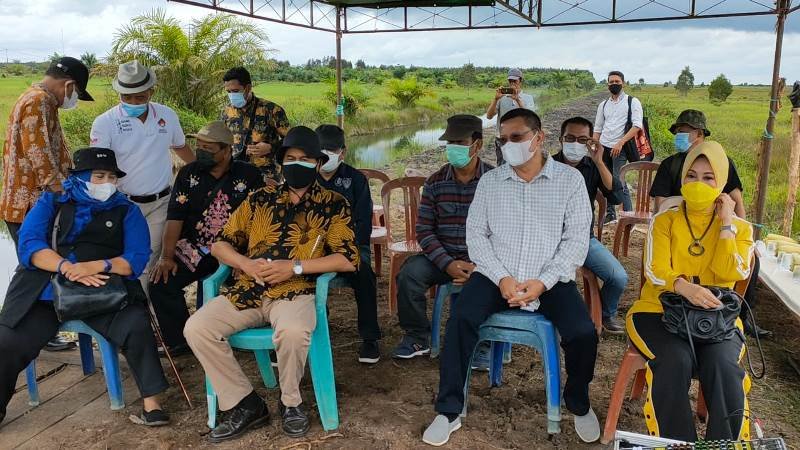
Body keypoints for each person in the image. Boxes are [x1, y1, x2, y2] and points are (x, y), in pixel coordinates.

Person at [422, 109, 599, 446]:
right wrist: (502, 278)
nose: (508, 145)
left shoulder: (569, 181)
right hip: (494, 275)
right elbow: (476, 236)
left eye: (517, 137)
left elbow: (576, 242)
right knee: (459, 320)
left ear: (539, 138)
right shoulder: (491, 182)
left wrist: (542, 282)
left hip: (550, 278)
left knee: (582, 333)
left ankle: (577, 401)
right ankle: (447, 410)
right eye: (503, 140)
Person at [183, 126, 359, 442]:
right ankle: (245, 403)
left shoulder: (334, 203)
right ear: (280, 161)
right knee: (197, 328)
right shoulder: (258, 199)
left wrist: (295, 267)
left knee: (292, 332)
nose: (297, 164)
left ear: (318, 163)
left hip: (296, 291)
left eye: (305, 159)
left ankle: (291, 402)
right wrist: (245, 263)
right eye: (290, 158)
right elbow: (221, 244)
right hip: (248, 289)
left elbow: (347, 259)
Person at [0, 148, 170, 427]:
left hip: (102, 287)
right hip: (47, 288)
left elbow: (136, 259)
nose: (105, 183)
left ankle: (152, 404)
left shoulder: (126, 209)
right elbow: (29, 245)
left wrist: (97, 266)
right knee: (6, 341)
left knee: (136, 323)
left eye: (112, 177)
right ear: (78, 177)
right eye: (98, 176)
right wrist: (67, 268)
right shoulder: (52, 201)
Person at [627, 141, 754, 442]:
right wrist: (684, 287)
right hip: (658, 310)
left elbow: (732, 272)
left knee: (723, 367)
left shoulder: (741, 230)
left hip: (717, 317)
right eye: (691, 176)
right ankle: (677, 444)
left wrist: (726, 224)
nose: (698, 184)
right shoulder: (664, 221)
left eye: (708, 177)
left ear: (722, 181)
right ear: (682, 179)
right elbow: (655, 269)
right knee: (675, 361)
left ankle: (725, 446)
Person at [0, 56, 94, 352]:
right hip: (29, 206)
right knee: (34, 267)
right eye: (77, 92)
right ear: (69, 85)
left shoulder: (38, 100)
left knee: (36, 266)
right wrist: (63, 194)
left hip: (26, 203)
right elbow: (40, 156)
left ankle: (29, 329)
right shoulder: (38, 101)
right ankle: (13, 329)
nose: (74, 99)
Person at [648, 110, 768, 338]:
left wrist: (738, 232)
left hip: (717, 228)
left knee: (750, 265)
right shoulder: (670, 165)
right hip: (681, 231)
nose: (679, 137)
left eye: (684, 132)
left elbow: (736, 200)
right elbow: (661, 203)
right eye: (691, 176)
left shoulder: (722, 163)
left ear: (699, 134)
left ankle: (743, 315)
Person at [148, 121, 264, 355]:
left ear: (226, 150)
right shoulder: (188, 173)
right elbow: (175, 216)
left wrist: (250, 258)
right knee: (161, 281)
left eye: (208, 148)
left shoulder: (249, 175)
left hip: (236, 250)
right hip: (195, 248)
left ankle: (251, 336)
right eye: (198, 145)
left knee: (258, 283)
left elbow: (260, 219)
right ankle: (181, 340)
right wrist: (166, 256)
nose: (200, 151)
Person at [392, 115, 493, 360]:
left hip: (481, 261)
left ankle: (482, 343)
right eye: (450, 143)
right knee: (408, 274)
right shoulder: (436, 182)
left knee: (490, 284)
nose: (452, 148)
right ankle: (417, 337)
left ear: (477, 144)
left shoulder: (494, 181)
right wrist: (447, 263)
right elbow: (424, 230)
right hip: (441, 257)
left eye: (459, 142)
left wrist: (480, 266)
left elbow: (505, 232)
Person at [90, 60, 195, 288]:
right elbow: (99, 166)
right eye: (126, 98)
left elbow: (180, 146)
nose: (133, 102)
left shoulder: (167, 116)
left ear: (151, 91)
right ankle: (120, 309)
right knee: (122, 257)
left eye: (140, 97)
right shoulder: (105, 123)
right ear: (119, 92)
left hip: (160, 203)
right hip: (122, 204)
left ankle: (143, 314)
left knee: (148, 262)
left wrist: (203, 170)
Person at [552, 117, 628, 333]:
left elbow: (615, 197)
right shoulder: (546, 166)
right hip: (548, 239)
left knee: (618, 277)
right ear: (561, 139)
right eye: (570, 138)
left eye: (582, 139)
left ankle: (605, 314)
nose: (576, 144)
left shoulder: (592, 167)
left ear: (590, 142)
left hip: (582, 239)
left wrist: (599, 161)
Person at [315, 124, 382, 364]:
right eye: (320, 149)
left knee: (364, 273)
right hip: (312, 249)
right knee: (292, 273)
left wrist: (342, 249)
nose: (325, 155)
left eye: (331, 150)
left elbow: (363, 224)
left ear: (342, 152)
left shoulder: (355, 180)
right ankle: (304, 329)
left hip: (350, 247)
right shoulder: (304, 179)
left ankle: (370, 338)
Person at [221, 67, 290, 182]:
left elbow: (291, 139)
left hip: (267, 176)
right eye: (228, 92)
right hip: (235, 176)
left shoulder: (272, 110)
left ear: (248, 88)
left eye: (235, 91)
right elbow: (221, 141)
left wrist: (271, 147)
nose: (231, 95)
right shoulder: (226, 112)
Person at [593, 70, 643, 224]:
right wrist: (594, 147)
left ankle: (629, 216)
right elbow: (598, 127)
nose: (614, 84)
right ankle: (610, 214)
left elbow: (637, 125)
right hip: (604, 147)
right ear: (607, 84)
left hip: (620, 148)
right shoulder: (604, 105)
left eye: (617, 81)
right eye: (611, 82)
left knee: (618, 181)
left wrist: (620, 142)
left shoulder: (632, 102)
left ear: (623, 83)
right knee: (605, 181)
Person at [486, 68, 536, 165]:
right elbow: (489, 116)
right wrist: (495, 99)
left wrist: (518, 100)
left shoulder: (528, 98)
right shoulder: (501, 98)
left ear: (520, 81)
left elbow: (531, 119)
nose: (512, 83)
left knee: (521, 166)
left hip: (521, 138)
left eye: (515, 81)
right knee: (502, 166)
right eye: (510, 81)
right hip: (503, 139)